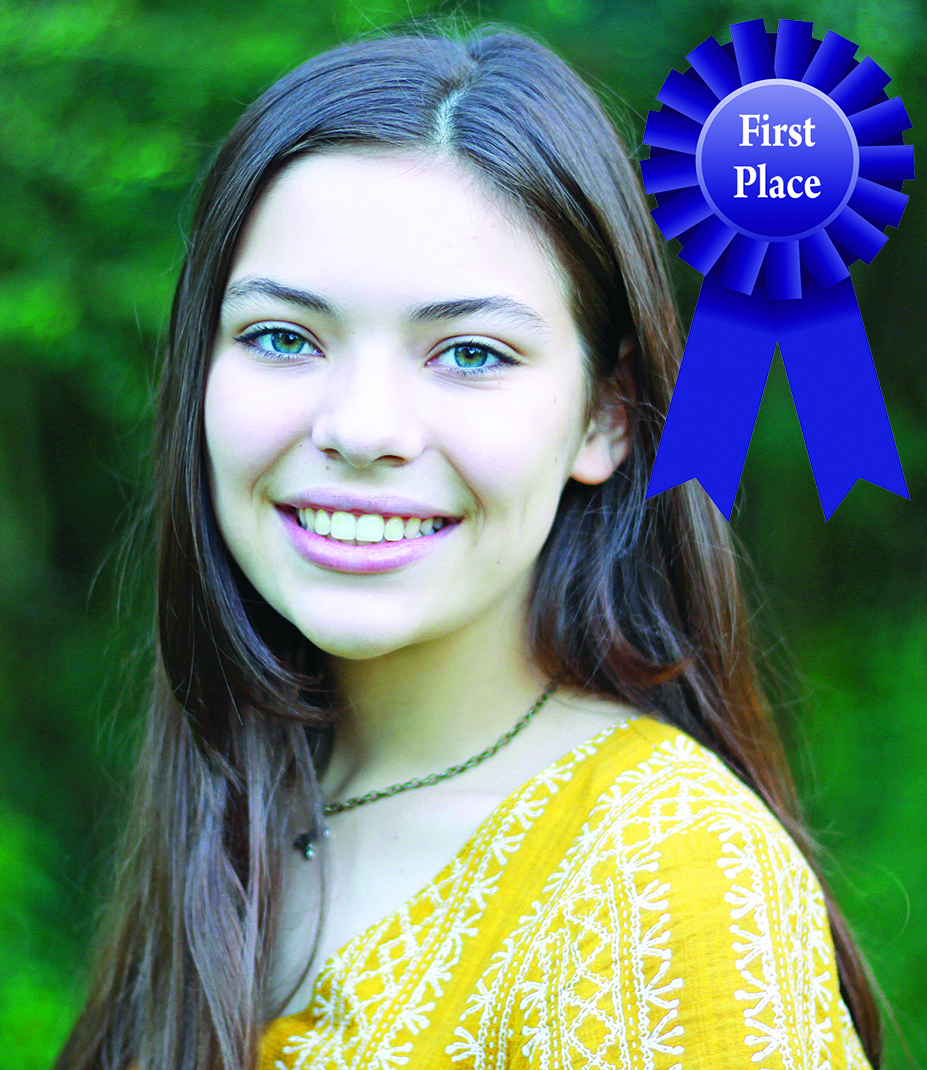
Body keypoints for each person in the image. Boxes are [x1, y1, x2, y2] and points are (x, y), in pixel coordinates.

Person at [54, 19, 882, 1070]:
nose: (362, 428)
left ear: (605, 416)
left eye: (470, 353)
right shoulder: (244, 786)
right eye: (283, 337)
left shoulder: (666, 873)